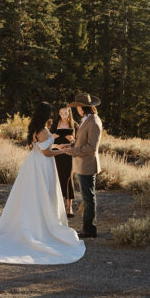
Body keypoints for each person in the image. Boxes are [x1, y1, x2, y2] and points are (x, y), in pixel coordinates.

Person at [0, 102, 85, 263]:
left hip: (33, 163)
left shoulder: (36, 128)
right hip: (43, 165)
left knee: (31, 193)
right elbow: (46, 152)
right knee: (43, 194)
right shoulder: (44, 130)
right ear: (46, 114)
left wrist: (60, 145)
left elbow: (43, 146)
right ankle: (41, 224)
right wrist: (63, 151)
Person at [64, 93, 102, 239]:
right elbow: (83, 142)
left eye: (77, 106)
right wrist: (73, 144)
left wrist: (73, 151)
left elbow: (92, 147)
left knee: (88, 198)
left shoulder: (94, 122)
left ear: (82, 107)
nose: (76, 109)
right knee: (87, 197)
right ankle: (87, 228)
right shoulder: (87, 119)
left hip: (87, 165)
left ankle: (90, 230)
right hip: (81, 164)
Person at [53, 105, 78, 217]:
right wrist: (53, 137)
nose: (64, 116)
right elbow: (46, 141)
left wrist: (72, 140)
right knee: (56, 177)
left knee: (68, 178)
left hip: (68, 154)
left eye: (66, 113)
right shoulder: (53, 125)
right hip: (56, 154)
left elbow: (78, 143)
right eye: (62, 113)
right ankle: (57, 207)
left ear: (69, 113)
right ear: (58, 113)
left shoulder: (75, 125)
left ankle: (69, 207)